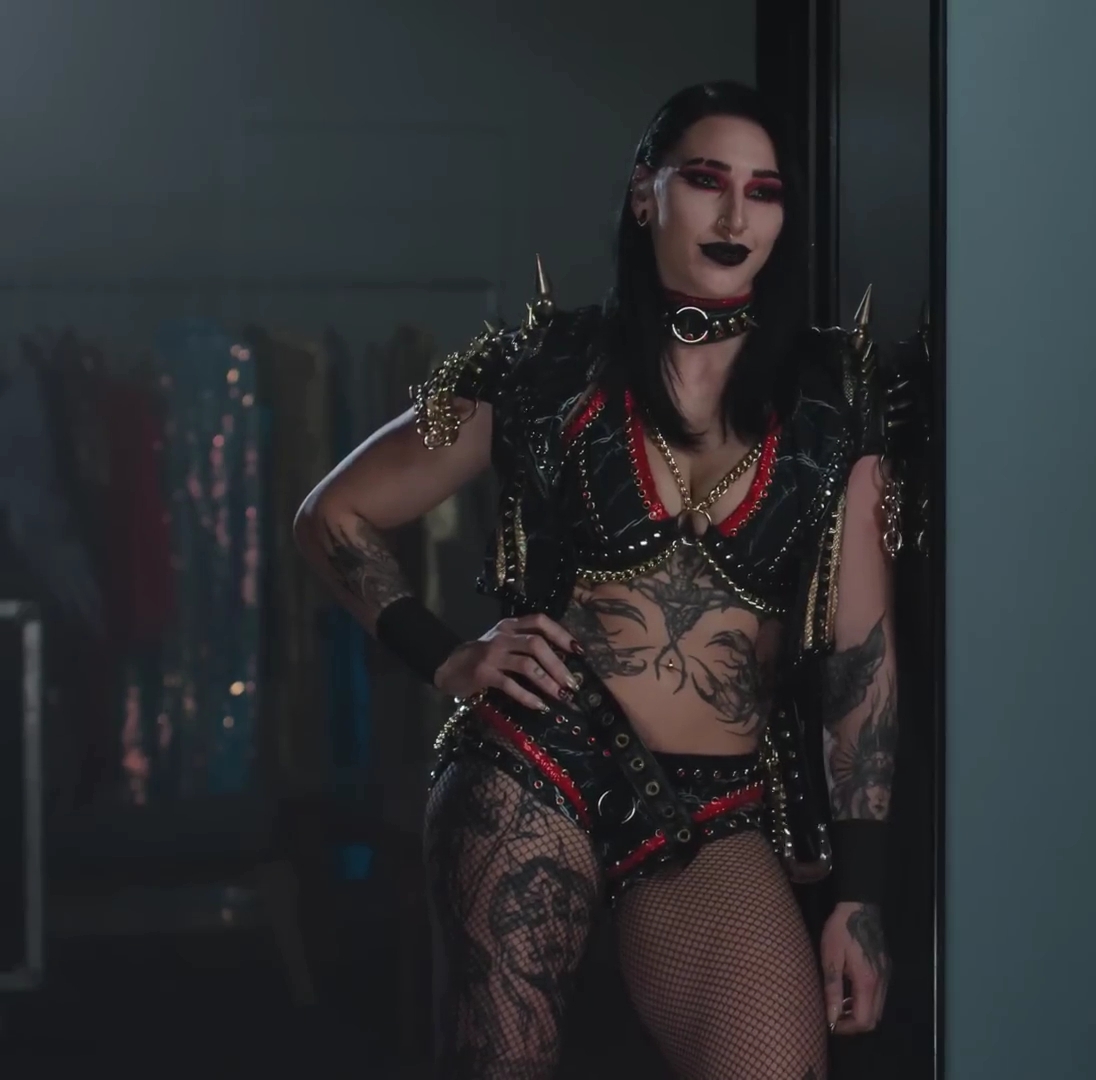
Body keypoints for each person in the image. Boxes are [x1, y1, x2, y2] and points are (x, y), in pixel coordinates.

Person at [294, 81, 916, 1080]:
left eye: (763, 191)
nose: (734, 216)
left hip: (713, 806)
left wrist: (862, 895)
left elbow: (862, 661)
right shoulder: (541, 369)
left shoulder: (835, 403)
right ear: (643, 193)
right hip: (533, 765)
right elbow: (333, 514)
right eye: (706, 181)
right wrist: (446, 655)